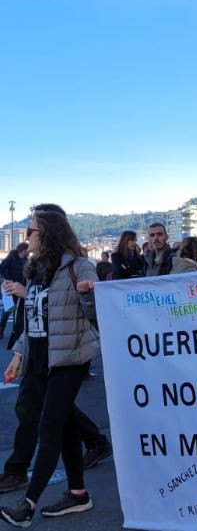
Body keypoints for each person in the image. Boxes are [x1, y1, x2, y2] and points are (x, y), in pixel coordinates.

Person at [0, 211, 100, 526]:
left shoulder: (79, 266)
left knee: (50, 427)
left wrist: (87, 295)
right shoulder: (35, 269)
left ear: (48, 234)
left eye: (31, 230)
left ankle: (27, 506)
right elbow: (33, 320)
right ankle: (78, 494)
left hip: (70, 357)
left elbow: (98, 316)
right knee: (66, 426)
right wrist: (19, 353)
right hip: (40, 360)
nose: (26, 236)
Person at [0, 244, 28, 339]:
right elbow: (1, 268)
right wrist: (7, 278)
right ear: (23, 250)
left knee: (19, 311)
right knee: (8, 310)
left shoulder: (26, 260)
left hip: (21, 287)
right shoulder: (12, 258)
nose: (28, 252)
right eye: (26, 250)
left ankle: (16, 332)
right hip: (10, 287)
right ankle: (1, 329)